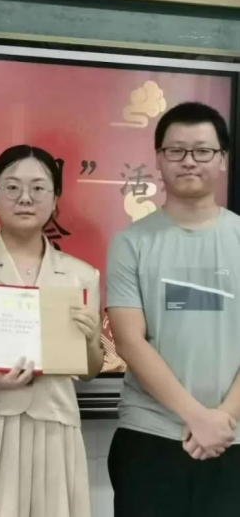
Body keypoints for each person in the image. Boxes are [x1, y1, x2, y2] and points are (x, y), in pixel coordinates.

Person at [0, 145, 105, 517]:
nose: (25, 198)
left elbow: (89, 370)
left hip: (53, 425)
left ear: (55, 200)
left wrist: (92, 339)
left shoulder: (81, 276)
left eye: (38, 188)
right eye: (11, 187)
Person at [106, 101, 240, 516]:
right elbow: (129, 341)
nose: (189, 161)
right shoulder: (130, 243)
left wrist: (222, 418)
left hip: (232, 436)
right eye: (176, 150)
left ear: (222, 159)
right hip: (150, 436)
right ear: (159, 159)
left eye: (202, 150)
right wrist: (196, 416)